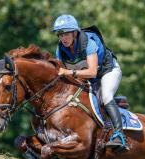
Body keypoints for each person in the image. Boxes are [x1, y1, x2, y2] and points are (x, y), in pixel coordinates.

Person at [52, 14, 127, 151]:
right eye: (60, 34)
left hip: (107, 72)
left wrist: (69, 72)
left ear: (75, 32)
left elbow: (92, 72)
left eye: (66, 34)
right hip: (86, 78)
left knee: (106, 97)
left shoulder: (88, 43)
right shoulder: (60, 50)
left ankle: (119, 136)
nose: (63, 38)